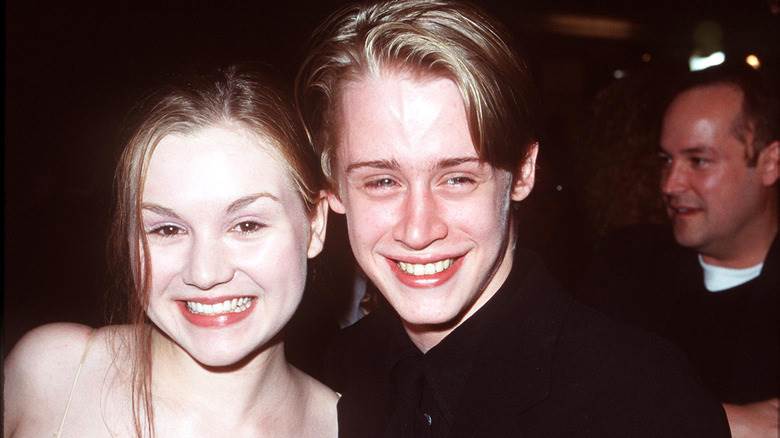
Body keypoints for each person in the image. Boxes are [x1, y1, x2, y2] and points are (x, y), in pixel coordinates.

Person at [295, 0, 730, 436]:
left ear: (523, 172)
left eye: (458, 178)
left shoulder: (639, 397)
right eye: (382, 182)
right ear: (334, 188)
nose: (418, 229)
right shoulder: (333, 376)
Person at [4, 66, 338, 438]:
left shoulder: (359, 426)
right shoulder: (55, 373)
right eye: (168, 229)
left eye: (246, 226)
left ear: (316, 225)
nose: (205, 273)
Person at [579, 65, 779, 438]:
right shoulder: (627, 265)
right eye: (666, 160)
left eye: (698, 161)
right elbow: (566, 400)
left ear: (770, 163)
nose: (671, 184)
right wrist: (715, 421)